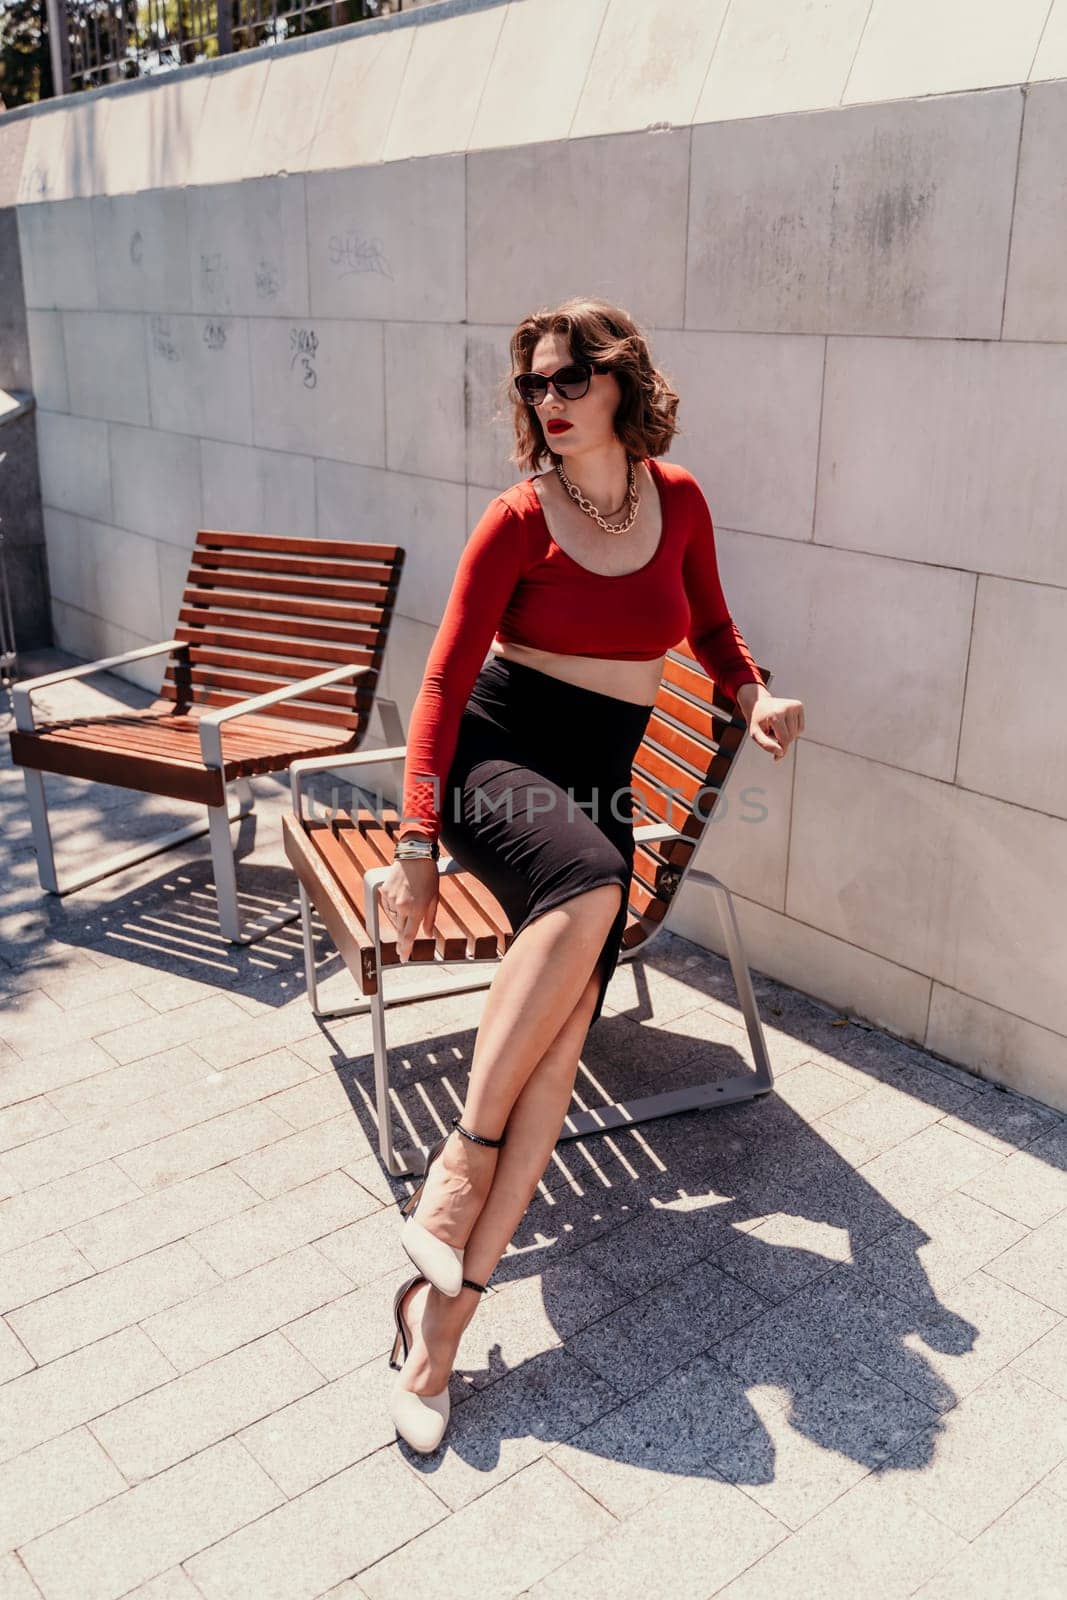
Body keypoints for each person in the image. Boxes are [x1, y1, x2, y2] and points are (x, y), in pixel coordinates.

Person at [381, 296, 805, 1452]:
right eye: (533, 386)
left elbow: (714, 635)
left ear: (620, 382)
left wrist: (752, 697)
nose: (549, 402)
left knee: (561, 1040)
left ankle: (437, 1331)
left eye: (569, 379)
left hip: (597, 786)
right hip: (499, 764)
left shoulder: (677, 503)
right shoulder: (517, 519)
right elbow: (435, 688)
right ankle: (459, 1170)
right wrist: (418, 844)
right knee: (583, 889)